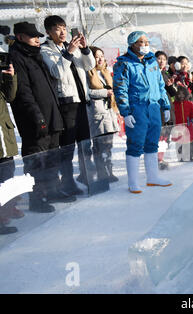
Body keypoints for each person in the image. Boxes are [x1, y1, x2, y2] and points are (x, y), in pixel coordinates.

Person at [9, 21, 65, 212]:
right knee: (36, 163)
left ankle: (52, 190)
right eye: (32, 36)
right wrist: (37, 117)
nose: (36, 39)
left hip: (51, 115)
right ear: (20, 37)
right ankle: (36, 198)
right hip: (34, 120)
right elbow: (23, 93)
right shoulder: (16, 58)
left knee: (52, 159)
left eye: (37, 36)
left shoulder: (36, 55)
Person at [41, 15, 96, 196]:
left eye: (64, 28)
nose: (62, 32)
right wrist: (69, 53)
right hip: (66, 103)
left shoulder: (71, 46)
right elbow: (56, 72)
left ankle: (87, 177)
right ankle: (67, 182)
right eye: (57, 28)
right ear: (48, 32)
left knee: (85, 144)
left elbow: (89, 66)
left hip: (82, 101)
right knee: (67, 147)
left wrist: (85, 48)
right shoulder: (45, 50)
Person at [113, 31, 172, 193]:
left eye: (147, 42)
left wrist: (165, 105)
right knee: (135, 144)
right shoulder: (123, 63)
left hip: (153, 107)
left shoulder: (152, 61)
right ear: (132, 44)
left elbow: (160, 85)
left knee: (153, 142)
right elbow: (120, 89)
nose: (145, 45)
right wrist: (125, 112)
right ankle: (133, 181)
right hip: (137, 108)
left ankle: (152, 177)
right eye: (141, 42)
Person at [86, 46, 120, 182]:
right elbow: (87, 92)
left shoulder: (106, 72)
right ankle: (102, 173)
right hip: (97, 113)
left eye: (101, 56)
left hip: (109, 112)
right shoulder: (88, 72)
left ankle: (109, 171)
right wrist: (105, 92)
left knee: (108, 145)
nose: (100, 59)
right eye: (96, 56)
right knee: (99, 146)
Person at [0, 63, 23, 234]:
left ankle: (4, 214)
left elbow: (10, 96)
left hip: (5, 139)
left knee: (7, 176)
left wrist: (10, 77)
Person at [155, 50, 177, 170]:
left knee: (165, 135)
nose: (162, 61)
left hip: (168, 107)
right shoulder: (152, 73)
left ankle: (160, 158)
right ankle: (157, 159)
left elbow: (174, 93)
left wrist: (170, 85)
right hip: (157, 107)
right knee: (158, 134)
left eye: (164, 59)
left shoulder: (165, 73)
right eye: (159, 58)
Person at [173, 86, 193, 161]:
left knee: (189, 142)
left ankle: (190, 156)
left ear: (186, 95)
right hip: (178, 127)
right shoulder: (174, 104)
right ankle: (180, 157)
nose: (181, 96)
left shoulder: (189, 104)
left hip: (188, 126)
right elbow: (173, 115)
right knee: (179, 142)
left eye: (183, 94)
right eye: (179, 94)